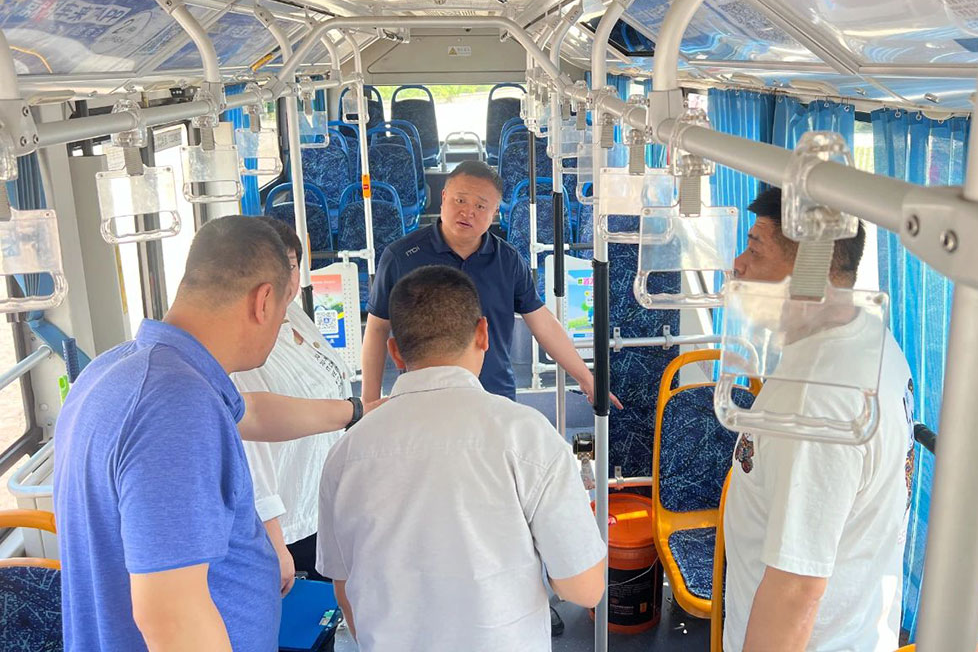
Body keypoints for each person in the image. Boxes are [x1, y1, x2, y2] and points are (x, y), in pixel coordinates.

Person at [54, 216, 362, 652]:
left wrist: (358, 411)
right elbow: (171, 617)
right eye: (281, 316)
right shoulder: (175, 409)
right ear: (263, 301)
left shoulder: (124, 368)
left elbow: (253, 412)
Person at [318, 265, 606, 652]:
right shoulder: (528, 436)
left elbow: (344, 588)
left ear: (395, 351)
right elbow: (584, 588)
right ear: (483, 333)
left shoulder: (345, 454)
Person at [722, 187, 915, 652]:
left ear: (811, 270)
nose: (738, 265)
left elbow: (795, 591)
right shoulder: (868, 339)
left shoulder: (815, 403)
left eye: (755, 249)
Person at [360, 160, 618, 409]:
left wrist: (587, 379)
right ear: (444, 197)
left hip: (494, 397)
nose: (468, 212)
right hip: (421, 400)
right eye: (460, 200)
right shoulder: (401, 257)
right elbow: (377, 328)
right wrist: (367, 404)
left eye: (481, 206)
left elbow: (542, 322)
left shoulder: (507, 260)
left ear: (495, 213)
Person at [232, 217, 350, 594]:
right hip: (289, 523)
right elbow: (250, 448)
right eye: (274, 267)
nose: (287, 277)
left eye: (292, 265)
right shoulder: (245, 346)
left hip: (323, 504)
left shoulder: (293, 314)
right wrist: (275, 540)